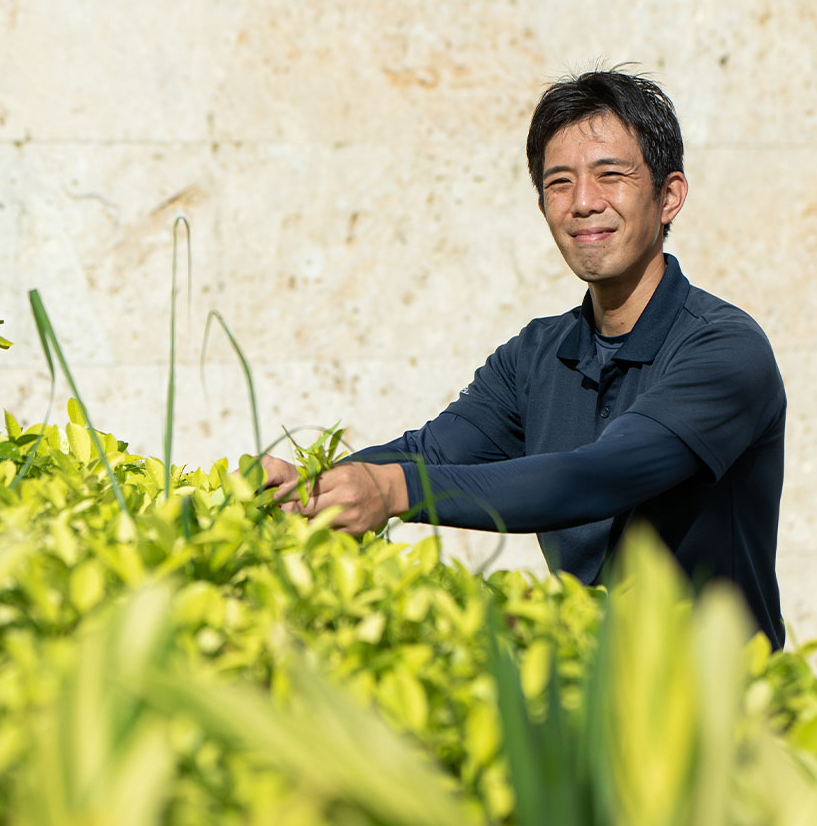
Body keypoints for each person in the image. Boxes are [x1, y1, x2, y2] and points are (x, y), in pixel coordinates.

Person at [261, 69, 786, 647]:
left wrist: (392, 492)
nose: (584, 203)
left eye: (610, 175)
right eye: (560, 183)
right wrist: (314, 486)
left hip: (720, 708)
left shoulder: (724, 349)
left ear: (669, 196)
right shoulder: (536, 355)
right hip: (587, 695)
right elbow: (431, 452)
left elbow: (597, 478)